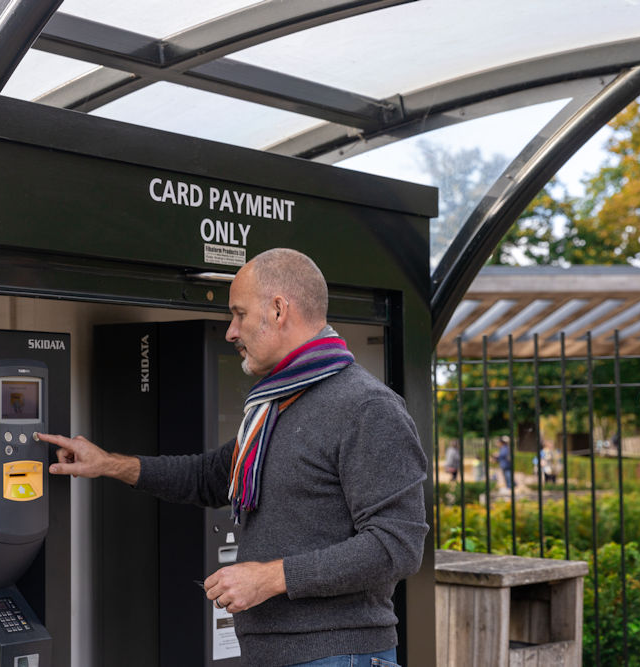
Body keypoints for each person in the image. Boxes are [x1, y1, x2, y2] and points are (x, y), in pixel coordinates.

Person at [38, 248, 428, 667]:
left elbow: (397, 545)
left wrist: (271, 577)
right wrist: (108, 464)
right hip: (274, 654)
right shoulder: (275, 406)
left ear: (279, 310)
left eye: (239, 314)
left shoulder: (367, 407)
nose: (230, 331)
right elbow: (209, 476)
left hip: (338, 656)